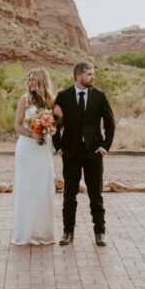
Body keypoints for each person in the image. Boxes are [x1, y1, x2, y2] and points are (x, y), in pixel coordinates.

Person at [52, 61, 115, 247]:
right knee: (69, 194)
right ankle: (68, 232)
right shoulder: (63, 96)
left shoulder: (100, 96)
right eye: (89, 74)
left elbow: (110, 123)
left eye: (92, 74)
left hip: (93, 153)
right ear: (78, 76)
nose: (92, 77)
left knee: (96, 194)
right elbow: (54, 123)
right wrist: (59, 148)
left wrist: (104, 147)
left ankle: (100, 232)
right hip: (70, 153)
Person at [10, 68, 57, 245]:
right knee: (26, 187)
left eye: (33, 80)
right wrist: (32, 135)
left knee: (42, 187)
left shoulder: (51, 101)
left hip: (43, 149)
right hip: (27, 149)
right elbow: (17, 125)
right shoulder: (24, 100)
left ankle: (43, 233)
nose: (30, 83)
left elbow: (57, 126)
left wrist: (50, 128)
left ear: (41, 81)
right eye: (29, 80)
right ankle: (25, 232)